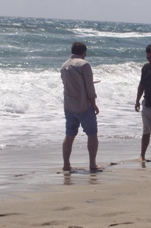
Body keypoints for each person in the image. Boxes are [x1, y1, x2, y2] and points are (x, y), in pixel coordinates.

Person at [60, 42, 100, 172]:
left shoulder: (64, 65)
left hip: (69, 106)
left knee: (69, 135)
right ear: (83, 52)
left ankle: (66, 164)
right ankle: (92, 164)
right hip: (84, 105)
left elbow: (71, 84)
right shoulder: (84, 64)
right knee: (92, 134)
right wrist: (94, 104)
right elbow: (89, 87)